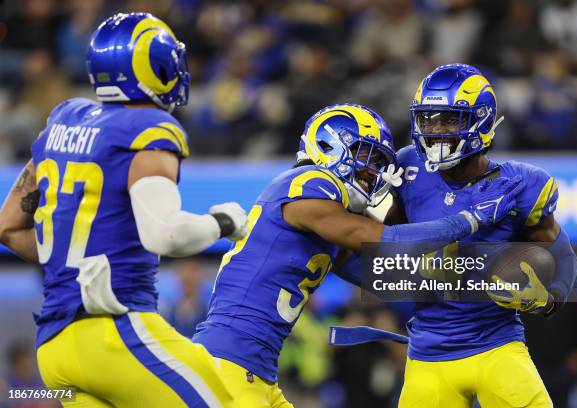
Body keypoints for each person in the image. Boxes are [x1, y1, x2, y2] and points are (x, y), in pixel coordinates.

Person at [192, 103, 525, 407]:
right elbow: (384, 240)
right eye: (367, 155)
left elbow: (389, 274)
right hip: (229, 362)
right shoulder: (309, 182)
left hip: (256, 370)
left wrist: (482, 282)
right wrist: (469, 219)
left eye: (380, 162)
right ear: (330, 143)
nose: (373, 171)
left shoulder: (331, 220)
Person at [0, 12, 249, 408]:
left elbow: (9, 228)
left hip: (54, 348)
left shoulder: (62, 124)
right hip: (116, 331)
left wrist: (71, 263)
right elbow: (165, 233)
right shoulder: (147, 127)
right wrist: (224, 222)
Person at [392, 63, 577, 407]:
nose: (434, 130)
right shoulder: (407, 169)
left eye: (448, 119)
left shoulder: (521, 184)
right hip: (427, 354)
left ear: (480, 120)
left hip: (496, 345)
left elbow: (561, 250)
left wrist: (551, 297)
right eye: (428, 119)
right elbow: (377, 247)